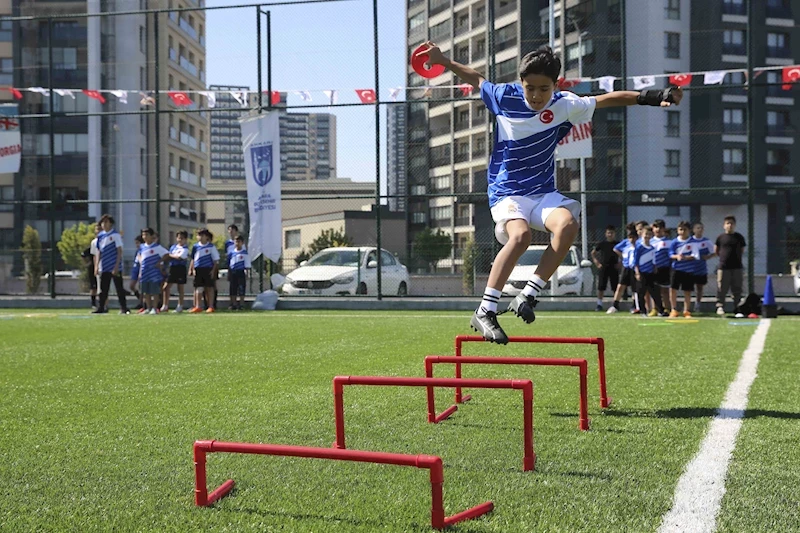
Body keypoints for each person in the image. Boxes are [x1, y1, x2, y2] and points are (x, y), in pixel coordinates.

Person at [416, 42, 683, 343]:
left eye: (543, 89)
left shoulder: (566, 104)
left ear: (555, 86)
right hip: (507, 191)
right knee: (520, 237)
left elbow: (608, 98)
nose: (536, 96)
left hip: (543, 192)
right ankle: (485, 310)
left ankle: (529, 295)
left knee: (568, 224)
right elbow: (477, 79)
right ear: (521, 83)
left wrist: (655, 96)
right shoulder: (504, 97)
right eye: (530, 88)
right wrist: (444, 61)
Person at [94, 214, 130, 315]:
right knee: (103, 289)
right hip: (104, 266)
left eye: (106, 222)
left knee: (119, 288)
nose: (104, 224)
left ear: (110, 223)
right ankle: (101, 307)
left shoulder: (115, 235)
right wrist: (96, 266)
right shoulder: (100, 236)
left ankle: (124, 308)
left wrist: (116, 266)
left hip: (114, 266)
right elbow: (99, 252)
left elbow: (119, 251)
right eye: (102, 222)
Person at [714, 215, 746, 316]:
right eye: (727, 223)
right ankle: (720, 306)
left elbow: (742, 250)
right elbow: (717, 250)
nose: (730, 225)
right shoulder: (720, 238)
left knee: (737, 288)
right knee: (722, 288)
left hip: (737, 267)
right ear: (724, 225)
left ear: (735, 225)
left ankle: (737, 307)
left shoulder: (739, 237)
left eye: (732, 223)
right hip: (723, 267)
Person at [136, 227, 170, 315]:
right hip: (144, 272)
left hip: (154, 273)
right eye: (143, 235)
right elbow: (139, 255)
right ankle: (148, 307)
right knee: (146, 291)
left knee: (154, 291)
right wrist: (141, 265)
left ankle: (154, 308)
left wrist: (159, 262)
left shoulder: (157, 247)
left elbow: (166, 254)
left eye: (147, 235)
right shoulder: (142, 247)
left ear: (151, 236)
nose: (144, 237)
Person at [634, 225, 664, 317]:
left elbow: (654, 260)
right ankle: (643, 311)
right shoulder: (639, 247)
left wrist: (655, 269)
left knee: (655, 292)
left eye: (649, 234)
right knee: (641, 292)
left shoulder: (652, 248)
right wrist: (637, 272)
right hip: (642, 273)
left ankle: (661, 310)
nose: (647, 236)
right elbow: (636, 261)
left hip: (650, 273)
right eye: (646, 234)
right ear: (642, 235)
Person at [669, 221, 696, 318]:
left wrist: (686, 257)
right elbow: (670, 254)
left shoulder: (693, 242)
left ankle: (686, 310)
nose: (682, 231)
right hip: (676, 269)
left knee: (687, 291)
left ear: (689, 230)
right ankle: (674, 309)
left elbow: (695, 255)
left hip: (688, 270)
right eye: (680, 229)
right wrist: (677, 256)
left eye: (685, 229)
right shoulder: (674, 242)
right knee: (673, 289)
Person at [189, 228, 219, 314]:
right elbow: (193, 259)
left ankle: (210, 306)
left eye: (202, 235)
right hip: (198, 269)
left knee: (209, 288)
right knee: (198, 288)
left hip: (208, 269)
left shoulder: (211, 247)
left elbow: (215, 260)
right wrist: (192, 268)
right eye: (199, 235)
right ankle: (198, 306)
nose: (200, 237)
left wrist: (213, 271)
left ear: (206, 237)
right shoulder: (195, 246)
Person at [607, 228, 637, 313]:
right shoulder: (625, 242)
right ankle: (615, 305)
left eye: (633, 237)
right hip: (626, 267)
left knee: (634, 288)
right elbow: (615, 249)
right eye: (630, 237)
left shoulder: (638, 244)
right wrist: (622, 256)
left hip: (634, 267)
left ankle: (634, 305)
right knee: (620, 286)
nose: (631, 239)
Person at [591, 225, 619, 311]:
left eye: (612, 233)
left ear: (615, 234)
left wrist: (620, 263)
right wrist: (597, 263)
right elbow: (593, 253)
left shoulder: (617, 244)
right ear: (606, 234)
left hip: (614, 267)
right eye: (608, 233)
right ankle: (599, 304)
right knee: (601, 286)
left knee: (615, 287)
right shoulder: (602, 244)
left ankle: (615, 305)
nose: (610, 234)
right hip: (604, 267)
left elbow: (623, 254)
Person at [690, 222, 716, 313]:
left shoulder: (706, 241)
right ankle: (687, 305)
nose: (699, 230)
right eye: (697, 228)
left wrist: (708, 257)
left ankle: (697, 304)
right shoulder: (690, 241)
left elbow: (715, 252)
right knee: (688, 287)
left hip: (701, 268)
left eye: (701, 228)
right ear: (693, 230)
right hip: (690, 268)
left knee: (699, 287)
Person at [162, 230, 190, 313]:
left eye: (182, 238)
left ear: (185, 239)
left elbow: (180, 257)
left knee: (180, 288)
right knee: (166, 287)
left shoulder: (185, 249)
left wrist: (171, 256)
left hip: (180, 268)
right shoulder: (173, 247)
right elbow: (168, 256)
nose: (180, 240)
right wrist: (171, 256)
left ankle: (180, 306)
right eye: (178, 238)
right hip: (172, 268)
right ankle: (165, 305)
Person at [651, 219, 672, 315]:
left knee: (665, 290)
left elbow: (671, 256)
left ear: (664, 229)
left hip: (664, 268)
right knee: (654, 290)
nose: (657, 229)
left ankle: (667, 308)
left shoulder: (669, 242)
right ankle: (655, 309)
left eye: (660, 227)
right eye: (655, 227)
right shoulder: (649, 241)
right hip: (652, 268)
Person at [81, 222, 101, 311]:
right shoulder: (94, 242)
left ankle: (103, 305)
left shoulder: (107, 240)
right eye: (97, 229)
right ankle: (94, 304)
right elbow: (89, 254)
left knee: (102, 287)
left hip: (104, 266)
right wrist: (90, 264)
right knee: (93, 286)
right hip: (94, 267)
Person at [228, 235, 251, 311]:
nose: (237, 243)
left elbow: (247, 264)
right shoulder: (232, 253)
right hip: (233, 272)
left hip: (240, 272)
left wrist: (247, 273)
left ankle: (241, 304)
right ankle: (233, 304)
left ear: (242, 243)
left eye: (239, 241)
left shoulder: (244, 253)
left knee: (241, 288)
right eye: (236, 241)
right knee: (233, 288)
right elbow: (229, 263)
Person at [128, 235, 145, 310]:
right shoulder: (137, 251)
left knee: (141, 287)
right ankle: (140, 298)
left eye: (138, 243)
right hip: (135, 268)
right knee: (131, 286)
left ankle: (141, 302)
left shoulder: (143, 250)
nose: (137, 245)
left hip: (140, 268)